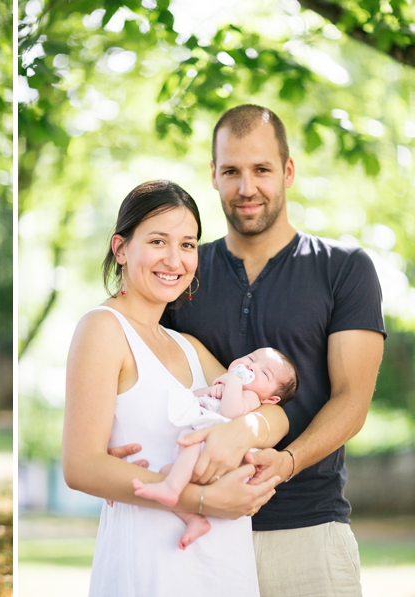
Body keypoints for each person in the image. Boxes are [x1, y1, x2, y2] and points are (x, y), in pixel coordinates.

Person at [108, 105, 384, 597]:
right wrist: (115, 434)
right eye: (232, 171)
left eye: (262, 169)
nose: (246, 187)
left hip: (307, 531)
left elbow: (352, 399)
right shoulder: (182, 270)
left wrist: (289, 460)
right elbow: (140, 362)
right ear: (213, 175)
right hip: (195, 532)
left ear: (288, 171)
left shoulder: (344, 269)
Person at [63, 179, 290, 596]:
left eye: (188, 245)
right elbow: (80, 467)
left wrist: (241, 430)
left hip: (223, 567)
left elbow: (274, 413)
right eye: (157, 241)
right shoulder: (102, 329)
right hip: (151, 567)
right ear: (120, 249)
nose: (175, 259)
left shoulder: (189, 347)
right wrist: (205, 502)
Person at [133, 347, 298, 549]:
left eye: (264, 373)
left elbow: (231, 412)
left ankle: (171, 488)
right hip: (200, 452)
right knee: (165, 472)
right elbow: (191, 400)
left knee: (188, 450)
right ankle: (193, 519)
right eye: (250, 358)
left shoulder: (252, 397)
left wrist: (233, 384)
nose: (251, 367)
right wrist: (210, 391)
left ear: (270, 399)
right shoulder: (225, 384)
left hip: (222, 458)